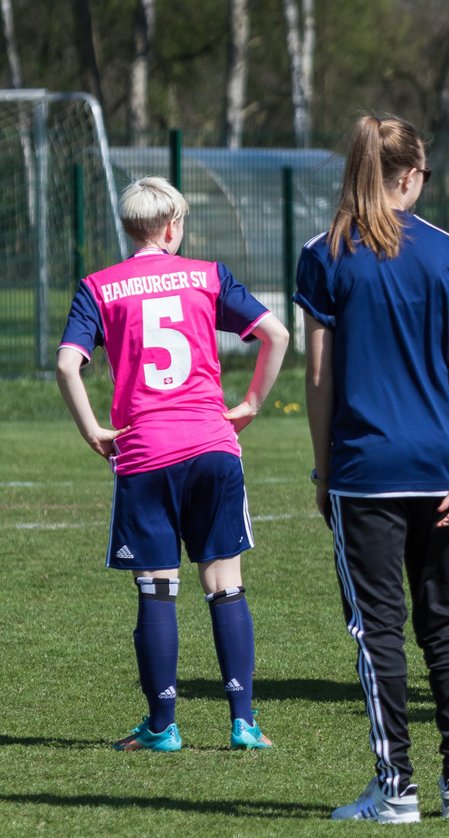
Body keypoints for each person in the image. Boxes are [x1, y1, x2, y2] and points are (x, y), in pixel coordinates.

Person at [56, 176, 288, 753]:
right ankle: (243, 723)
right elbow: (275, 334)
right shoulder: (207, 276)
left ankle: (162, 727)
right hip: (212, 444)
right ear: (171, 226)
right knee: (225, 583)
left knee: (157, 588)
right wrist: (253, 403)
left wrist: (92, 431)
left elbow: (67, 366)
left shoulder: (99, 286)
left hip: (143, 450)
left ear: (129, 227)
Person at [296, 115, 449, 822]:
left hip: (363, 469)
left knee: (378, 629)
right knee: (445, 622)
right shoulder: (444, 253)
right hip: (440, 463)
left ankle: (396, 788)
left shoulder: (325, 253)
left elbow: (318, 377)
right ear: (410, 176)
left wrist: (322, 471)